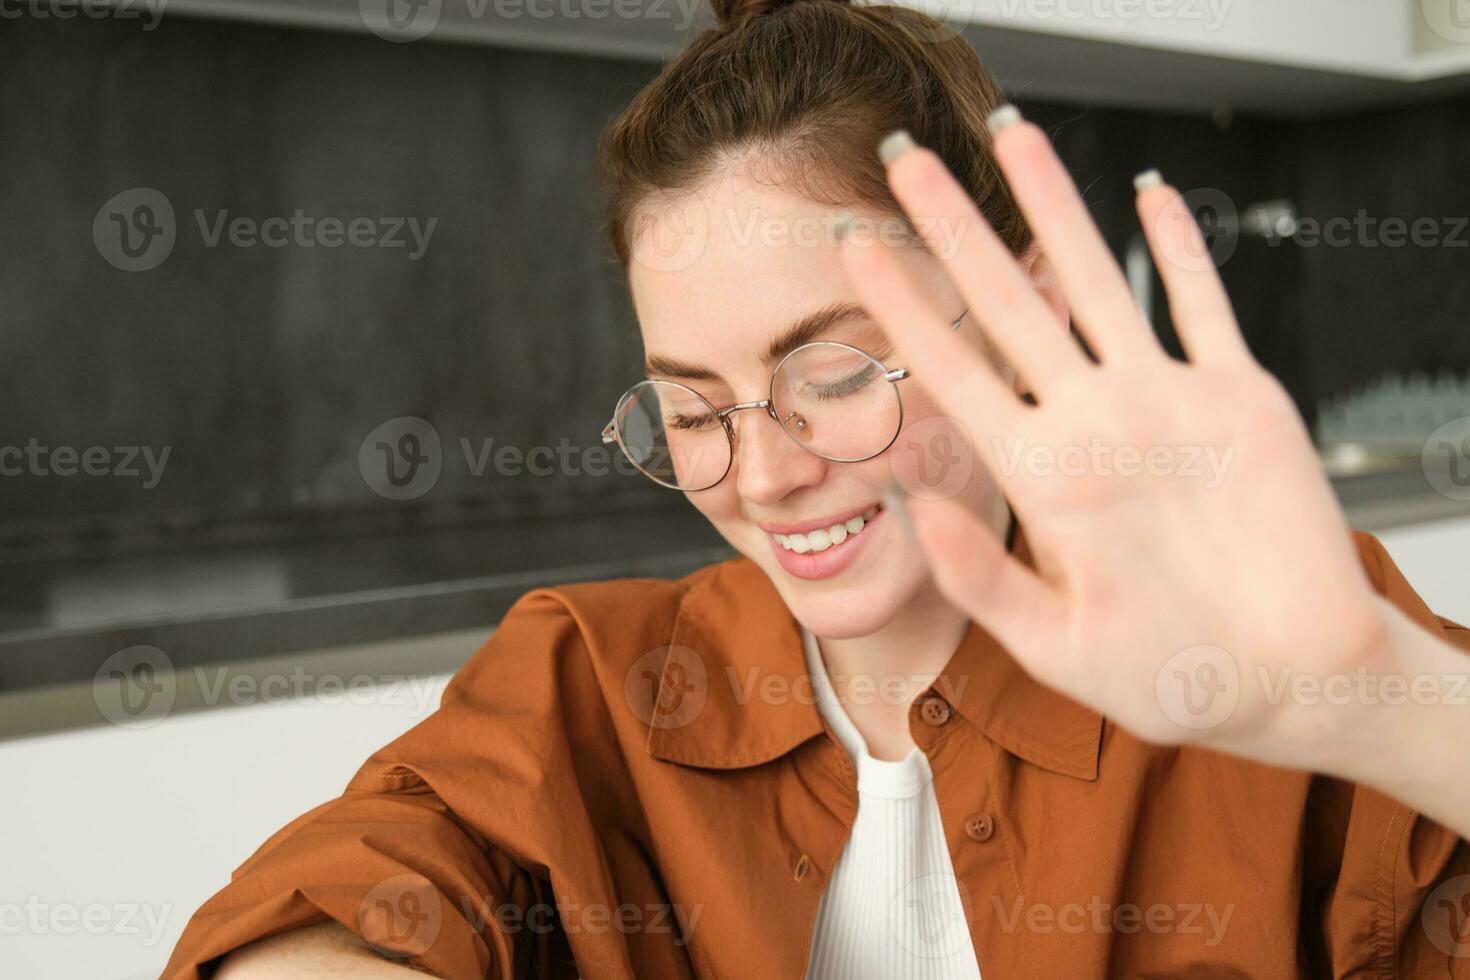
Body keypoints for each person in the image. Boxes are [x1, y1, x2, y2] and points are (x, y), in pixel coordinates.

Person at [162, 0, 1470, 976]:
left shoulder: (1280, 642)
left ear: (1023, 305)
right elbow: (354, 888)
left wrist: (1389, 704)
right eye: (689, 407)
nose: (767, 475)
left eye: (835, 373)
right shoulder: (586, 686)